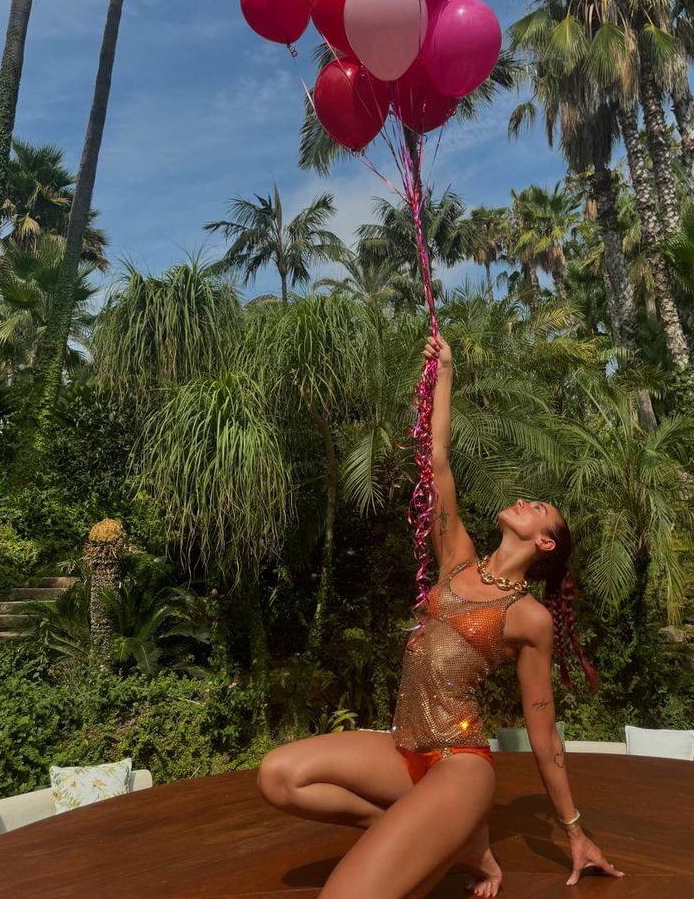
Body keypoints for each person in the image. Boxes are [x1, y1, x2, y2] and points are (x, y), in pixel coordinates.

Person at [257, 333, 625, 897]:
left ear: (546, 544)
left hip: (460, 764)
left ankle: (445, 830)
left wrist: (573, 828)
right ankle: (442, 840)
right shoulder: (458, 560)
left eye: (539, 509)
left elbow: (543, 732)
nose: (525, 501)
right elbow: (438, 460)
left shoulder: (529, 618)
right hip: (403, 748)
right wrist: (445, 372)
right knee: (278, 776)